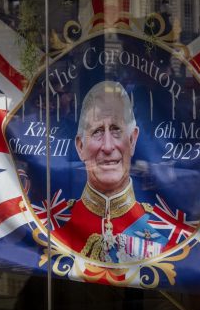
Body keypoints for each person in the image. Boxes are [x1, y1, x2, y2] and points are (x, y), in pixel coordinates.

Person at [53, 81, 181, 262]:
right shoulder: (55, 233)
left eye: (116, 130)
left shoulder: (162, 240)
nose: (107, 146)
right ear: (80, 146)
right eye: (97, 131)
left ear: (133, 139)